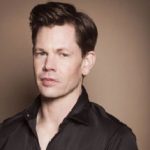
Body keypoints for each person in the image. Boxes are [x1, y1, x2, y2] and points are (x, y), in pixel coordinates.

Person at [0, 2, 138, 150]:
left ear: (86, 63)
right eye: (41, 53)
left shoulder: (115, 139)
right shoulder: (5, 133)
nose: (48, 65)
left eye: (63, 54)